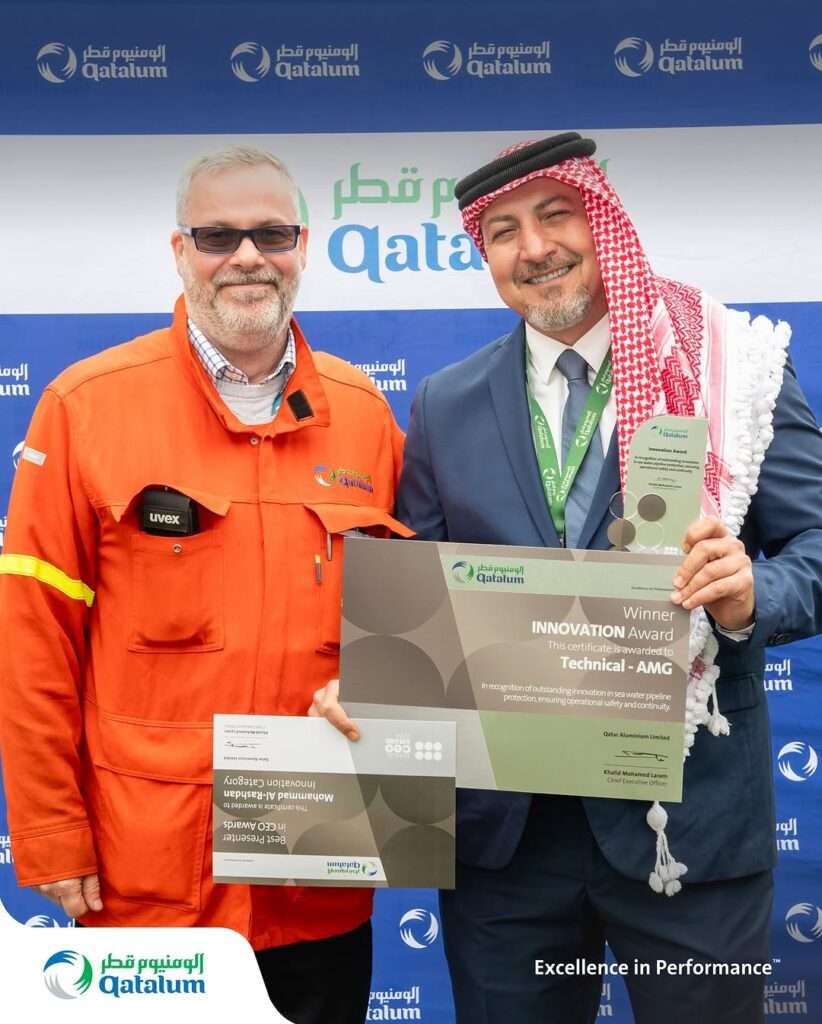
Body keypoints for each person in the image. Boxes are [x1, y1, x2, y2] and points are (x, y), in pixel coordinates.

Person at [392, 133, 822, 1023]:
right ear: (484, 257)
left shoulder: (724, 364)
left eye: (556, 215)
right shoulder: (444, 404)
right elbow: (419, 604)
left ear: (603, 220)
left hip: (689, 825)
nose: (535, 248)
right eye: (503, 232)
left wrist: (753, 596)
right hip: (507, 846)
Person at [0, 145, 409, 1024]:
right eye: (219, 236)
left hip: (315, 876)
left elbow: (406, 628)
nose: (247, 257)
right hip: (146, 883)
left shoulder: (366, 414)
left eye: (272, 234)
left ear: (303, 246)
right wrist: (49, 832)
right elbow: (33, 642)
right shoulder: (86, 406)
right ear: (180, 250)